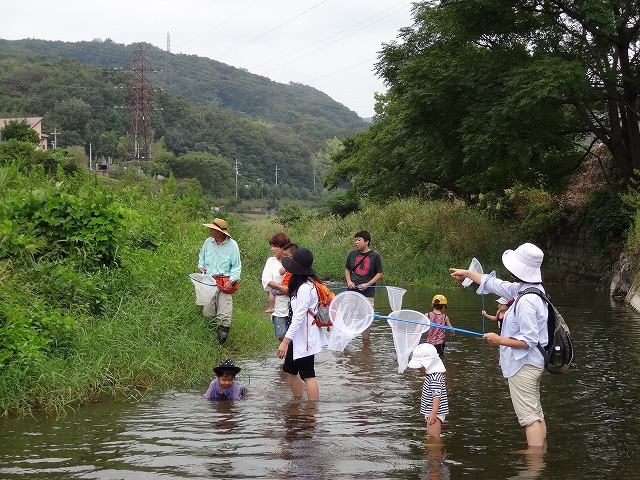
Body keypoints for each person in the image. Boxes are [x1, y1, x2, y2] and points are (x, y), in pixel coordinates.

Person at [449, 242, 548, 448]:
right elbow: (495, 284)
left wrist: (498, 339)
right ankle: (542, 455)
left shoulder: (527, 300)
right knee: (536, 413)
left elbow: (528, 340)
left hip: (524, 366)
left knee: (529, 419)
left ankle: (534, 465)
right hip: (533, 364)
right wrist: (469, 273)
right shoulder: (529, 290)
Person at [277, 247, 328, 401]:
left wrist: (285, 342)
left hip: (304, 336)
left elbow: (299, 317)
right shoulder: (302, 285)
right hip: (295, 334)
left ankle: (312, 410)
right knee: (290, 370)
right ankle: (297, 402)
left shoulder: (305, 288)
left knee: (308, 374)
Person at [198, 218, 242, 345]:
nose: (210, 231)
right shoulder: (208, 242)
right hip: (209, 281)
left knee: (224, 314)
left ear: (221, 232)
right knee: (208, 312)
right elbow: (202, 256)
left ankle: (220, 344)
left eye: (213, 229)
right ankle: (210, 340)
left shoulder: (232, 245)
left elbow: (236, 266)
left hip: (225, 282)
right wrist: (201, 266)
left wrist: (232, 280)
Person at [344, 230, 384, 340]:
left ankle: (366, 345)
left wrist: (368, 284)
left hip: (367, 293)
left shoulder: (375, 256)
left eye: (359, 240)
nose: (356, 242)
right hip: (351, 291)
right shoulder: (352, 254)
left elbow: (380, 273)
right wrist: (349, 281)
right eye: (355, 240)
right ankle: (343, 341)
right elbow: (347, 269)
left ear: (366, 241)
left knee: (366, 320)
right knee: (344, 315)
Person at [408, 343, 449, 438]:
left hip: (435, 413)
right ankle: (434, 451)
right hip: (432, 412)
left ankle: (435, 452)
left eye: (420, 365)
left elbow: (436, 395)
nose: (418, 368)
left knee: (433, 437)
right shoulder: (433, 375)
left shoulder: (435, 377)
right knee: (431, 436)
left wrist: (434, 413)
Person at [261, 233, 291, 342]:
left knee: (294, 336)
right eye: (272, 246)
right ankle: (286, 358)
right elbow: (266, 279)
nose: (272, 249)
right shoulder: (271, 261)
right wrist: (280, 287)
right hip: (278, 304)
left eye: (275, 246)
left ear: (283, 247)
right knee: (281, 335)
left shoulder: (293, 261)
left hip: (292, 303)